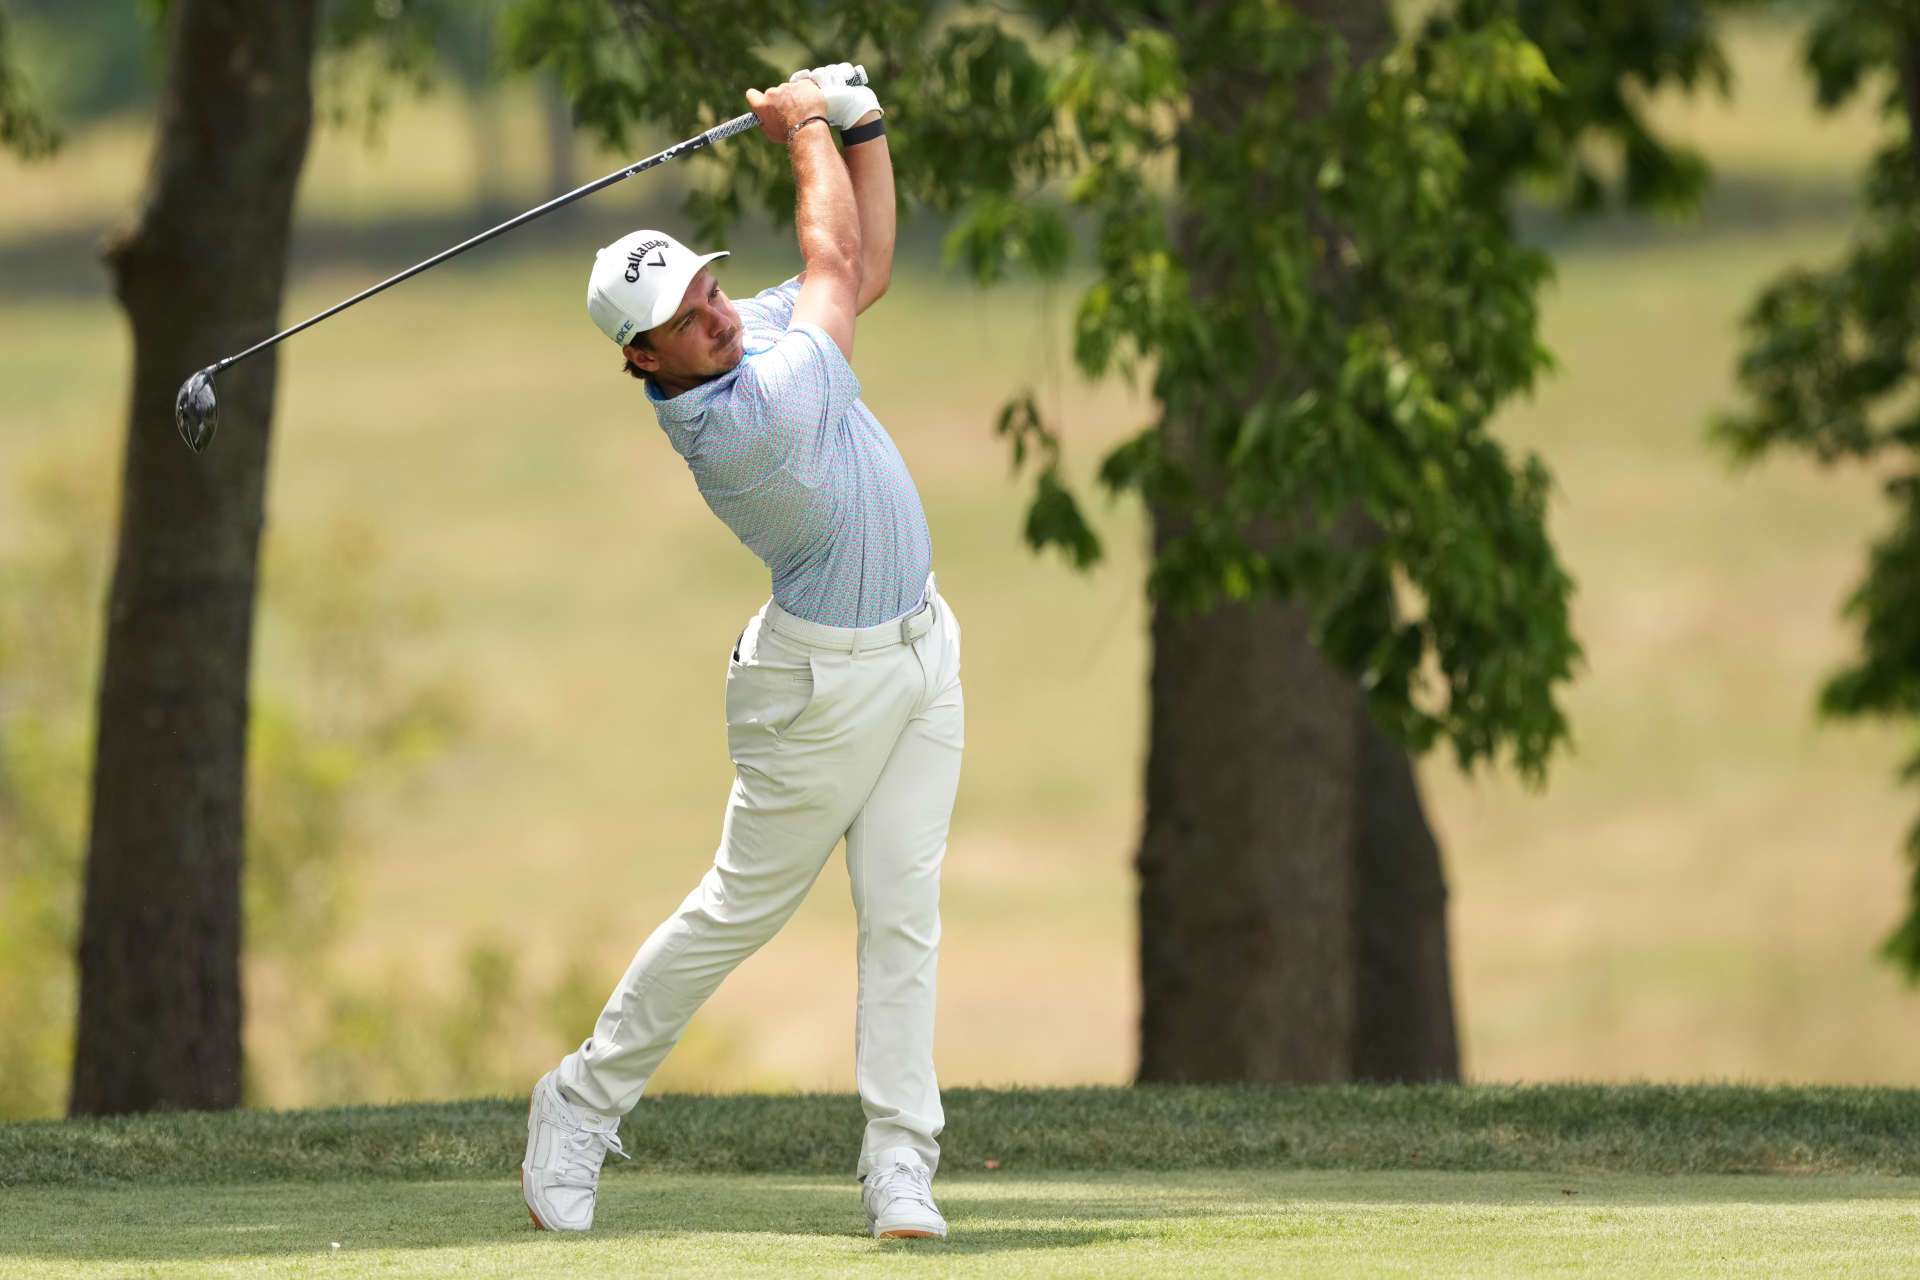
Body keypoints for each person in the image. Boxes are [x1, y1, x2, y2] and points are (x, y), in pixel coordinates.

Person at [520, 65, 962, 1242]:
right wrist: (806, 123)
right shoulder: (739, 423)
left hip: (922, 651)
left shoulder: (742, 337)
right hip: (819, 690)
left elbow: (858, 267)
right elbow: (826, 269)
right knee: (736, 912)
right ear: (646, 362)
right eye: (686, 318)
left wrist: (859, 126)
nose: (716, 311)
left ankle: (900, 1167)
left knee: (904, 911)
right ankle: (578, 1100)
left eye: (709, 287)